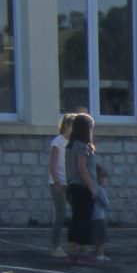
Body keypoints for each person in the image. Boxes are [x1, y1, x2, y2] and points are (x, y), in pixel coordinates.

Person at [62, 112, 98, 265]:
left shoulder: (70, 146)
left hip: (72, 186)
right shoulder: (82, 146)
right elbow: (82, 168)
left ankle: (72, 252)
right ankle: (83, 254)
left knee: (76, 220)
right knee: (84, 221)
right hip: (82, 187)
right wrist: (92, 187)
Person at [46, 114, 72, 258]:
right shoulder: (58, 142)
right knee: (60, 214)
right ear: (66, 126)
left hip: (69, 182)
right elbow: (52, 164)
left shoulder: (71, 142)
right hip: (58, 183)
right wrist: (57, 182)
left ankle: (73, 244)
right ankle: (55, 246)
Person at [89, 163, 112, 266]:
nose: (105, 180)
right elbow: (106, 203)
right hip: (99, 216)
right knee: (101, 237)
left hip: (93, 216)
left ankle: (98, 253)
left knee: (96, 236)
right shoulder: (100, 189)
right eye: (104, 177)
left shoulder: (92, 188)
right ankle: (100, 254)